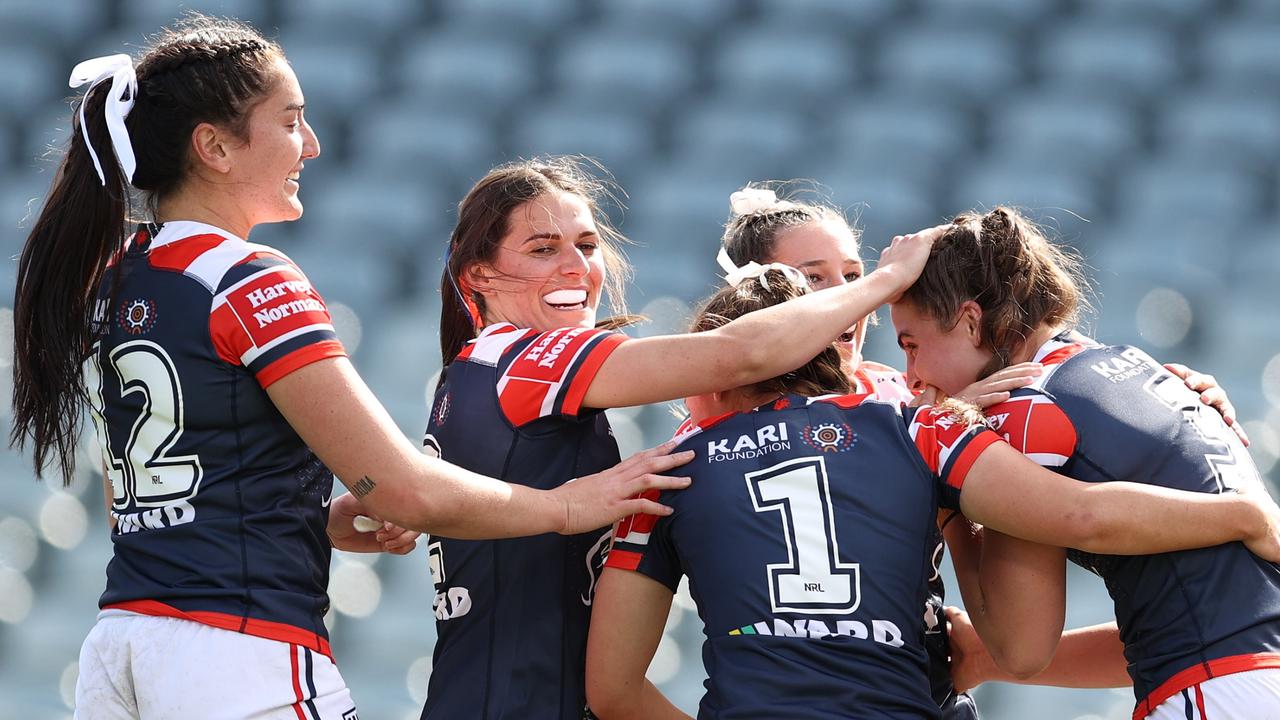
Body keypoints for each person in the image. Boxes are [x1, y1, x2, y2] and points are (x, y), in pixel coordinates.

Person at [8, 19, 691, 719]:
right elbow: (403, 490)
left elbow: (191, 479)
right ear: (213, 147)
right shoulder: (246, 277)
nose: (312, 144)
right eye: (291, 122)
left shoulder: (120, 276)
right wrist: (569, 505)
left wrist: (307, 516)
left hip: (121, 647)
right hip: (239, 651)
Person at [584, 268, 1280, 720]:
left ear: (720, 368)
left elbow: (612, 692)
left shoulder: (664, 470)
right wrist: (1243, 512)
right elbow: (1080, 515)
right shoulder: (921, 431)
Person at [422, 158, 945, 719]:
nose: (577, 267)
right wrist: (887, 281)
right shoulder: (528, 358)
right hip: (521, 700)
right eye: (543, 249)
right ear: (479, 275)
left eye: (588, 245)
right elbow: (739, 356)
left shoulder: (479, 372)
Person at [715, 185, 1253, 718]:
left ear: (971, 319)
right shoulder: (714, 433)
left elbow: (1026, 637)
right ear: (753, 296)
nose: (852, 299)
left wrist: (953, 449)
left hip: (926, 701)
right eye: (813, 278)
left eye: (856, 277)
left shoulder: (983, 407)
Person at [889, 207, 1280, 719]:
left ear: (969, 320)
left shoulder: (1025, 407)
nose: (911, 376)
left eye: (913, 346)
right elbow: (1176, 629)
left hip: (1219, 693)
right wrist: (982, 662)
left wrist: (951, 503)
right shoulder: (1142, 368)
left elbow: (1022, 647)